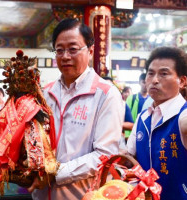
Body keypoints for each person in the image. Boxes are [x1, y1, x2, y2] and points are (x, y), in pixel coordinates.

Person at [30, 18, 124, 200]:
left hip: (81, 195)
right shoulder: (45, 93)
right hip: (41, 194)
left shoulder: (105, 94)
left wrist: (55, 173)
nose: (65, 56)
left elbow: (105, 155)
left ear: (90, 51)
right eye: (59, 50)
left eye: (73, 49)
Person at [127, 46, 187, 200]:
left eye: (164, 74)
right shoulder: (142, 118)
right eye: (151, 73)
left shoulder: (183, 115)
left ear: (182, 81)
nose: (154, 80)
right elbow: (129, 157)